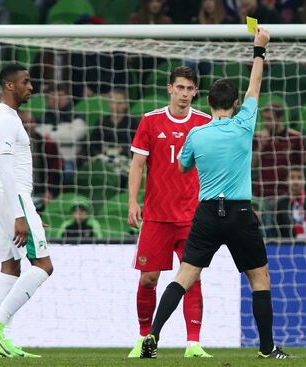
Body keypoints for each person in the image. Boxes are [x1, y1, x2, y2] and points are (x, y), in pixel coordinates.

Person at [141, 27, 292, 360]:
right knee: (259, 277)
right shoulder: (244, 123)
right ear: (236, 105)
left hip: (206, 214)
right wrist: (259, 48)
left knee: (184, 276)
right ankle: (267, 348)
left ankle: (152, 335)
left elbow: (182, 168)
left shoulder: (196, 134)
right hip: (239, 213)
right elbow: (256, 85)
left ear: (207, 103)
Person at [127, 66, 212, 359]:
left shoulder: (204, 122)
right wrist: (132, 202)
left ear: (196, 92)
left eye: (190, 89)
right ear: (170, 88)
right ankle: (143, 339)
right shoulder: (151, 121)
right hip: (156, 216)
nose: (185, 94)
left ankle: (193, 344)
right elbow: (137, 165)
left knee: (192, 278)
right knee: (148, 279)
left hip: (192, 217)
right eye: (180, 88)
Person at [0, 63, 54, 358]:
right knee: (44, 265)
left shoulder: (1, 116)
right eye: (25, 82)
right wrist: (20, 214)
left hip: (4, 196)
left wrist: (27, 213)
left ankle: (2, 343)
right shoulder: (5, 118)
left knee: (10, 265)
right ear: (9, 85)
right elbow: (9, 169)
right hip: (12, 196)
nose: (31, 87)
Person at [273, 167, 306, 239]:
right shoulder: (281, 203)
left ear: (305, 180)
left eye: (299, 178)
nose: (295, 181)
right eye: (292, 177)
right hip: (288, 245)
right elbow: (276, 229)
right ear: (287, 180)